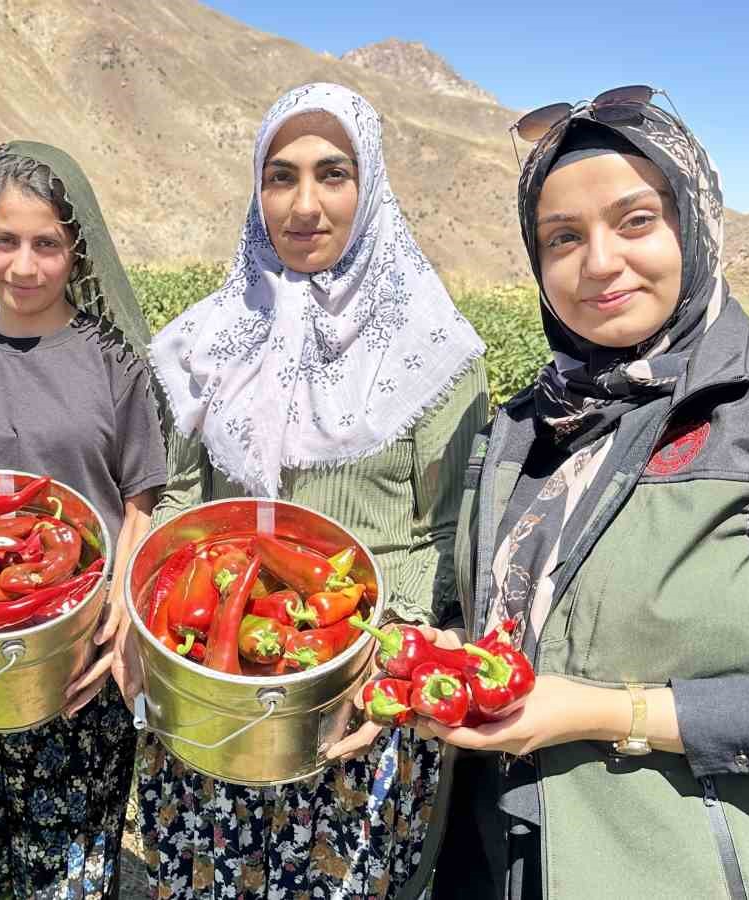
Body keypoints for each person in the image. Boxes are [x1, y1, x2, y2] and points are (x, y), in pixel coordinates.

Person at [424, 86, 749, 899]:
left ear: (692, 221)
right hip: (512, 853)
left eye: (636, 221)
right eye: (562, 237)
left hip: (701, 869)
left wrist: (605, 713)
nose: (600, 262)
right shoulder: (527, 425)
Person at [132, 82, 489, 898]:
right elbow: (183, 506)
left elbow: (445, 537)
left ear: (372, 189)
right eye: (280, 176)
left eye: (334, 174)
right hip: (220, 674)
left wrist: (377, 653)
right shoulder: (207, 343)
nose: (304, 205)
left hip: (354, 700)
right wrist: (168, 634)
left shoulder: (435, 356)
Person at [0, 141, 167, 898]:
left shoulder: (115, 364)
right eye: (3, 241)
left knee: (69, 878)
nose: (24, 266)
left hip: (78, 667)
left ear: (76, 247)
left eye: (47, 243)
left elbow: (142, 494)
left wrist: (119, 601)